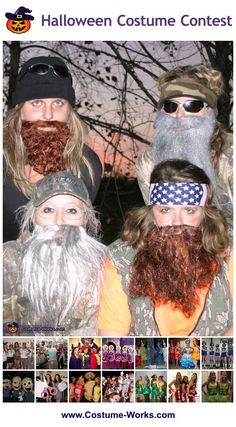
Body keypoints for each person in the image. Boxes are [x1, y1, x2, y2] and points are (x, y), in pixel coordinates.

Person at [98, 159, 233, 336]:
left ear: (204, 215)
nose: (176, 223)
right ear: (151, 213)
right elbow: (112, 347)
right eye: (165, 210)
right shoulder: (120, 260)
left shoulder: (227, 253)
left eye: (189, 211)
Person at [4, 55, 102, 242]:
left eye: (58, 103)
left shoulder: (86, 165)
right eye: (36, 103)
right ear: (19, 108)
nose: (48, 114)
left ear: (69, 110)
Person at [3, 171, 106, 336]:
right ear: (34, 218)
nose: (59, 220)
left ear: (85, 219)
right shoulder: (8, 258)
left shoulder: (104, 266)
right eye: (48, 210)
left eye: (71, 211)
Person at [136, 64, 233, 230]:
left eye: (192, 106)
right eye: (171, 106)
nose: (179, 116)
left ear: (212, 112)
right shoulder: (149, 162)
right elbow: (158, 222)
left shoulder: (230, 155)